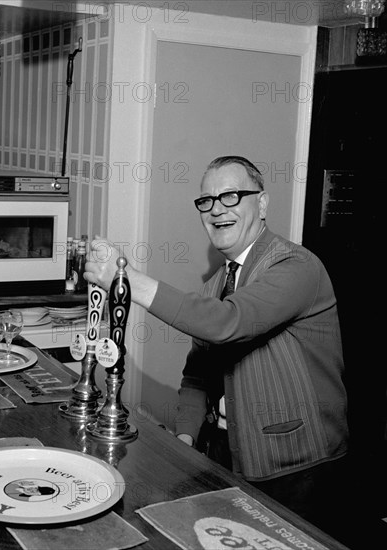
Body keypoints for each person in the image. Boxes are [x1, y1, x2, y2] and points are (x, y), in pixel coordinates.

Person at [84, 155, 350, 540]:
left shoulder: (296, 266)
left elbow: (228, 324)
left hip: (298, 469)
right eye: (206, 201)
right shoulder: (215, 287)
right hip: (228, 457)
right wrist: (185, 442)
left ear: (261, 204)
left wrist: (125, 278)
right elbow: (197, 377)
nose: (216, 209)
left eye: (231, 196)